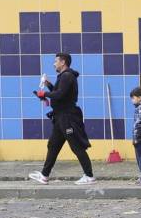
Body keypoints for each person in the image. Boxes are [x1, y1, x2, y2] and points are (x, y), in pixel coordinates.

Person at [28, 52, 95, 185]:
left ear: (63, 62)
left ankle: (89, 176)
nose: (54, 64)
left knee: (76, 146)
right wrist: (48, 84)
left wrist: (44, 93)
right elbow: (59, 92)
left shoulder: (67, 76)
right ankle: (44, 175)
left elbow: (60, 94)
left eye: (56, 61)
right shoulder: (64, 77)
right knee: (53, 145)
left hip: (68, 117)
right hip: (60, 117)